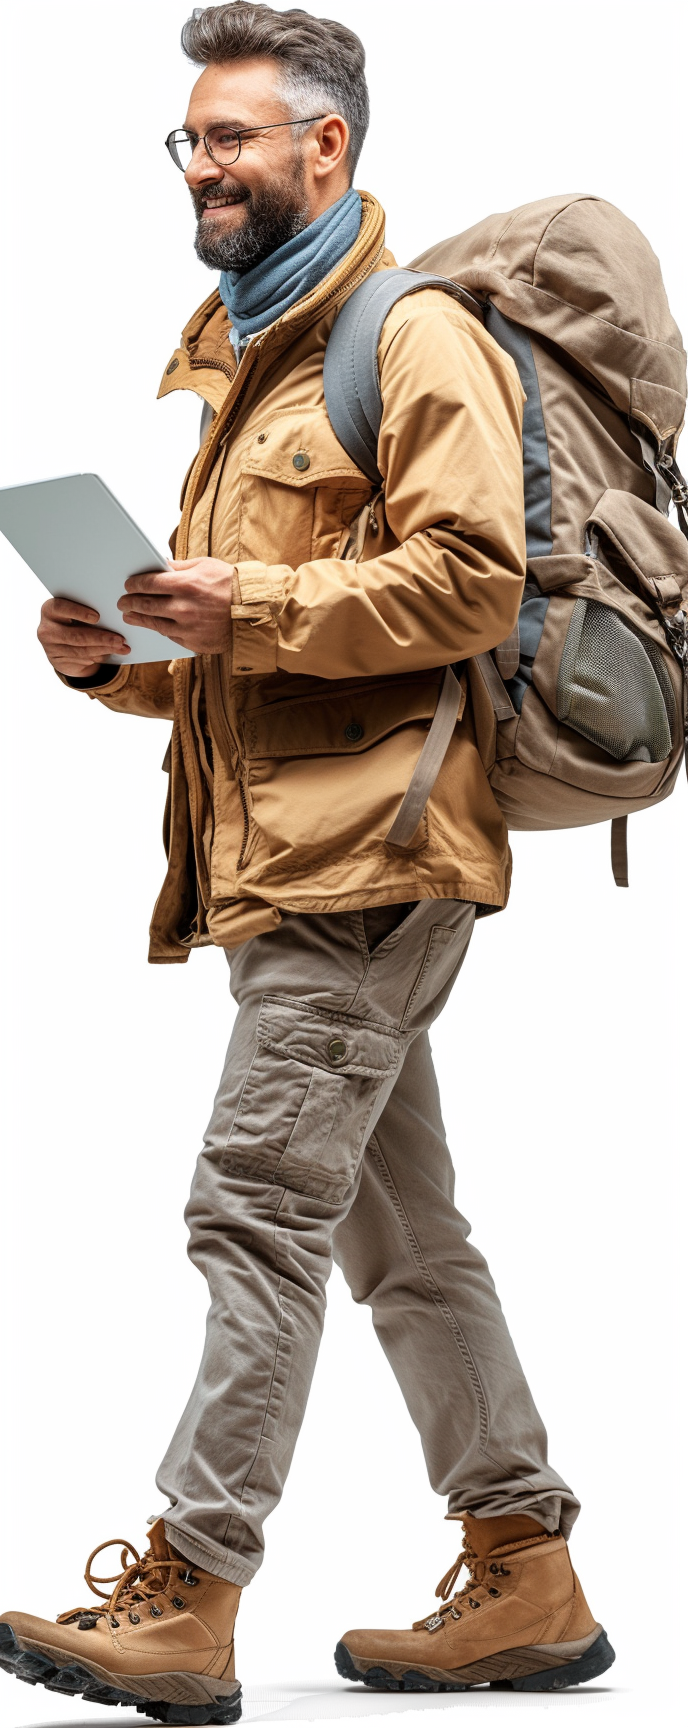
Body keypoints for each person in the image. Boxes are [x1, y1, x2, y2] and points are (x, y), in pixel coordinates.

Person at [0, 3, 614, 1717]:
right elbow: (265, 663)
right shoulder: (251, 352)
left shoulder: (408, 340)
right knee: (399, 1237)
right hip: (297, 866)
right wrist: (121, 654)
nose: (200, 166)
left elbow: (471, 586)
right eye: (187, 141)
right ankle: (527, 1572)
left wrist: (245, 603)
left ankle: (190, 1596)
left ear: (324, 149)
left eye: (231, 139)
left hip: (374, 865)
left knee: (255, 1210)